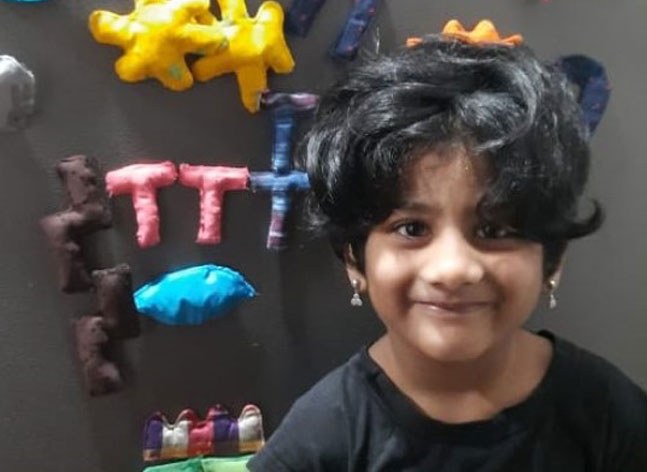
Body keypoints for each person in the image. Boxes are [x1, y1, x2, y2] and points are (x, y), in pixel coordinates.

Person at [247, 20, 647, 472]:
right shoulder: (319, 442)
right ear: (354, 258)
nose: (453, 268)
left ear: (551, 257)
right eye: (412, 229)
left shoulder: (609, 414)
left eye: (493, 230)